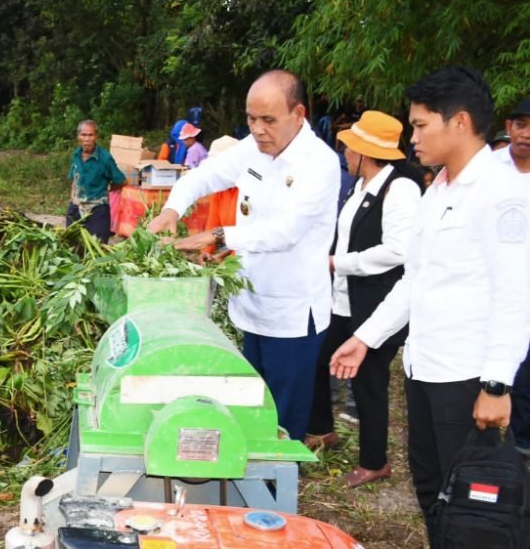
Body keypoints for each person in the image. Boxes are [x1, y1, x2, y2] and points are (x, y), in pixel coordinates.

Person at [329, 67, 530, 544]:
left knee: (475, 504)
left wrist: (497, 383)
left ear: (459, 122)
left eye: (420, 126)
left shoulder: (501, 195)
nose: (412, 137)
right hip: (424, 371)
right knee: (432, 489)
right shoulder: (436, 190)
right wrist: (365, 338)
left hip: (468, 378)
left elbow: (516, 292)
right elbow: (413, 281)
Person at [148, 69, 340, 441]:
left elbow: (285, 232)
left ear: (298, 114)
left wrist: (217, 235)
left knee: (282, 424)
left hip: (292, 315)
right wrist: (172, 210)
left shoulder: (319, 163)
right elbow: (203, 176)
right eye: (252, 119)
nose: (258, 129)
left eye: (268, 120)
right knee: (249, 405)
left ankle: (276, 493)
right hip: (251, 304)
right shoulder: (253, 148)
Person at [306, 111, 422, 487]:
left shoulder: (399, 188)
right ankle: (322, 429)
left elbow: (398, 250)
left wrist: (338, 263)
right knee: (319, 359)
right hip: (344, 300)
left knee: (368, 382)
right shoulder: (360, 186)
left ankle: (375, 461)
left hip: (376, 302)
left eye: (349, 148)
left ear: (365, 152)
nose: (344, 154)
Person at [493, 96, 530, 457]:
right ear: (508, 127)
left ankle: (522, 440)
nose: (527, 134)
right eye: (521, 125)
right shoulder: (489, 169)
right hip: (496, 286)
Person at [66, 120, 125, 243]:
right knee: (71, 246)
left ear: (96, 136)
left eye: (90, 135)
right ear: (78, 136)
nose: (87, 139)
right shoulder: (76, 154)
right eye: (83, 135)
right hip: (76, 208)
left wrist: (107, 189)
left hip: (97, 210)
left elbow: (122, 180)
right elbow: (75, 179)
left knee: (96, 248)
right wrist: (72, 201)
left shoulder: (105, 158)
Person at [199, 135, 240, 264]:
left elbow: (251, 235)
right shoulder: (220, 193)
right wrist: (206, 251)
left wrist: (224, 255)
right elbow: (214, 227)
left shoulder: (249, 191)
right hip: (232, 252)